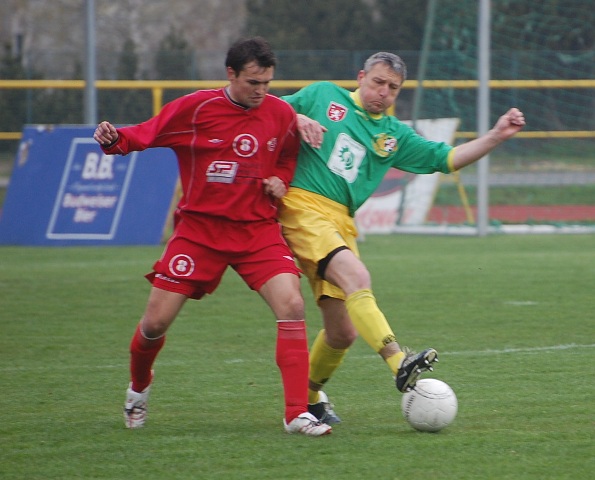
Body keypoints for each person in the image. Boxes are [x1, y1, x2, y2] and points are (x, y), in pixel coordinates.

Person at [93, 37, 331, 437]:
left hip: (257, 231)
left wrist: (280, 180)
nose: (261, 91)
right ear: (231, 74)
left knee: (292, 305)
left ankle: (295, 414)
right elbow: (145, 134)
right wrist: (114, 139)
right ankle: (138, 389)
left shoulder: (279, 112)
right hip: (200, 233)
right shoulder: (196, 108)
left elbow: (288, 156)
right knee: (155, 324)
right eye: (253, 82)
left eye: (267, 83)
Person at [279, 51, 526, 424]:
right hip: (303, 207)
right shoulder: (321, 95)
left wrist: (495, 136)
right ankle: (399, 361)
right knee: (358, 278)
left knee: (342, 332)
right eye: (378, 82)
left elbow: (447, 158)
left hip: (341, 221)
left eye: (393, 87)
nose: (383, 92)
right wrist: (294, 117)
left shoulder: (393, 136)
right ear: (361, 76)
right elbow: (266, 111)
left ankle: (308, 397)